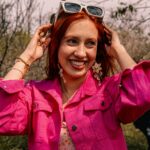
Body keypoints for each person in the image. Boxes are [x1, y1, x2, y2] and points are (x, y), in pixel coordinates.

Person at [0, 0, 150, 149]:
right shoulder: (34, 94)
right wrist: (27, 57)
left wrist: (119, 50)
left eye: (90, 43)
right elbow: (3, 119)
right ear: (56, 44)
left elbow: (144, 94)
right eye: (72, 41)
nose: (80, 53)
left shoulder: (109, 92)